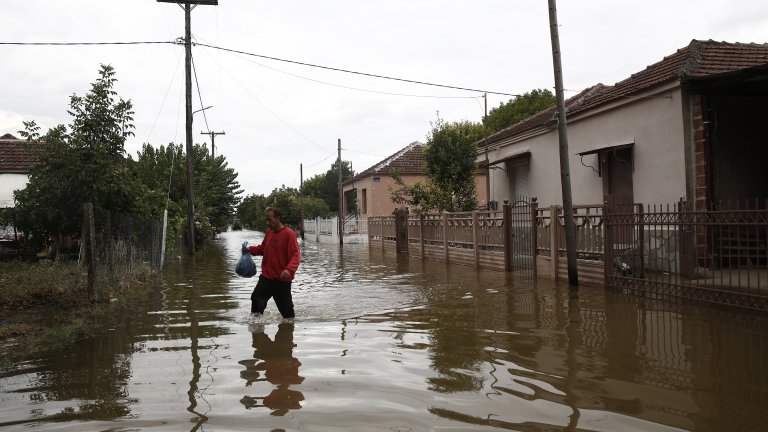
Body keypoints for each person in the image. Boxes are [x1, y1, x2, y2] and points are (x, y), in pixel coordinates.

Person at [243, 207, 301, 319]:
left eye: (269, 220)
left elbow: (296, 255)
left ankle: (288, 331)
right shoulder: (269, 232)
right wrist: (249, 250)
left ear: (278, 218)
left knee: (288, 317)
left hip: (282, 280)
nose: (267, 223)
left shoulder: (289, 234)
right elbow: (263, 249)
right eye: (266, 220)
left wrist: (289, 270)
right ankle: (256, 328)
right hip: (267, 277)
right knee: (256, 298)